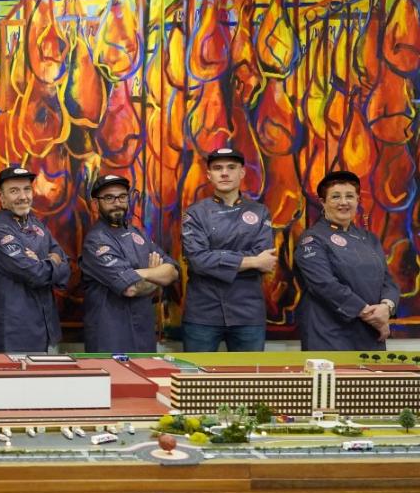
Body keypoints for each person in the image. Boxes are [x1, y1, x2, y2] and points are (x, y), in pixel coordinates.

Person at [181, 147, 277, 352]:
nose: (224, 173)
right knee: (196, 381)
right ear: (209, 175)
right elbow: (198, 261)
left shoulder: (260, 212)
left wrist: (215, 257)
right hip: (203, 313)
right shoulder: (195, 213)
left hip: (248, 313)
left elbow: (266, 258)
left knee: (249, 380)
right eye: (218, 168)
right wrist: (252, 261)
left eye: (231, 167)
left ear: (242, 172)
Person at [295, 169, 400, 351]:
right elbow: (324, 285)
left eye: (350, 196)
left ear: (358, 201)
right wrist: (372, 316)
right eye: (335, 197)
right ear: (323, 202)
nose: (343, 202)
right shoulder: (312, 239)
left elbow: (388, 281)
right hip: (330, 335)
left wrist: (386, 308)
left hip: (370, 335)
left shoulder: (370, 239)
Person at [79, 174, 178, 353]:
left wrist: (142, 274)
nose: (117, 203)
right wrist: (156, 277)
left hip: (143, 332)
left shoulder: (137, 233)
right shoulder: (96, 241)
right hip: (111, 336)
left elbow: (173, 272)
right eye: (109, 198)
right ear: (96, 204)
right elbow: (130, 288)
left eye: (122, 197)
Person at [0, 164, 70, 353]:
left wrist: (42, 261)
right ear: (1, 196)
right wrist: (51, 261)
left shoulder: (37, 224)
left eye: (27, 189)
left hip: (49, 332)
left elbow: (67, 266)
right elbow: (34, 273)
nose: (23, 196)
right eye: (14, 191)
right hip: (17, 335)